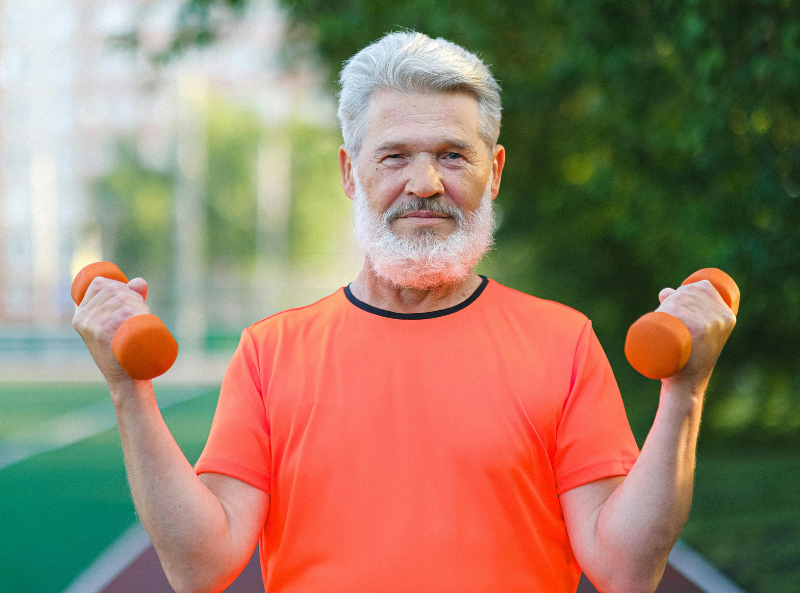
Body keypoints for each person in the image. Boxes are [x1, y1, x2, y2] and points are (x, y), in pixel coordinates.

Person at [72, 32, 737, 593]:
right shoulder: (269, 352)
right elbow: (200, 567)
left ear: (494, 171)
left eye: (452, 155)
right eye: (395, 157)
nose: (425, 184)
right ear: (349, 172)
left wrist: (685, 393)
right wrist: (130, 392)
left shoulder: (564, 342)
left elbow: (625, 571)